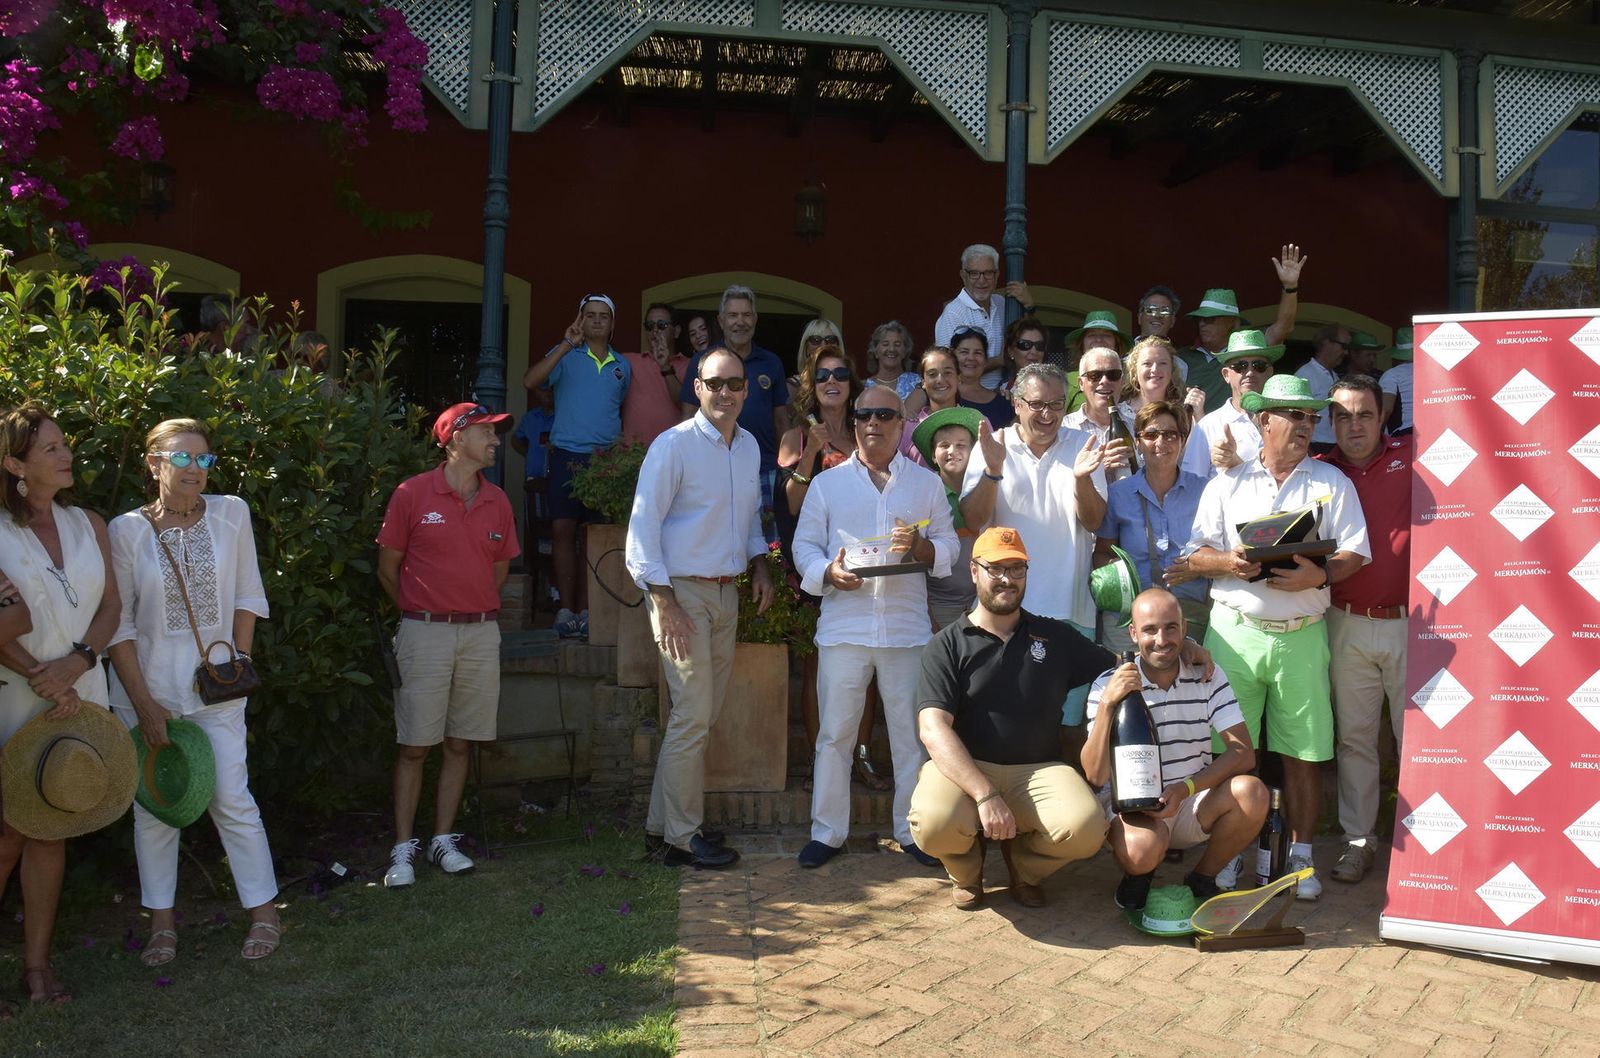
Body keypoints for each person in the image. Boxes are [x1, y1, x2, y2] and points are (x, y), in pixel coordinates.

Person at [1188, 373, 1370, 899]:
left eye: (1312, 418)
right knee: (1230, 749)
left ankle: (1303, 860)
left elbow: (1355, 552)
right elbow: (1194, 555)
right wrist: (1228, 562)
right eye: (1296, 416)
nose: (1306, 427)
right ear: (1264, 421)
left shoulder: (1332, 483)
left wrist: (1324, 575)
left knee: (1305, 753)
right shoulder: (1226, 483)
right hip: (1234, 633)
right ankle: (1224, 856)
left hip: (1302, 633)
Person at [106, 418, 281, 963]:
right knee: (155, 808)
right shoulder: (126, 531)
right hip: (147, 687)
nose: (195, 470)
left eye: (204, 460)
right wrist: (142, 704)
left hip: (216, 688)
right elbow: (120, 625)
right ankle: (162, 924)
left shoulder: (232, 515)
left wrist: (237, 665)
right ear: (153, 464)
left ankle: (265, 914)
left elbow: (249, 596)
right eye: (182, 459)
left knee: (232, 798)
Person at [792, 385, 957, 869]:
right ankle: (827, 832)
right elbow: (804, 547)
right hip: (844, 627)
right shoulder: (827, 484)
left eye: (885, 414)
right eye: (864, 415)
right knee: (834, 737)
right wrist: (827, 573)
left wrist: (924, 547)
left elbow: (949, 546)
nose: (873, 423)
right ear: (855, 422)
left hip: (906, 631)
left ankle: (911, 832)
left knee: (910, 737)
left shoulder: (925, 484)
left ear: (901, 423)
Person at [907, 527, 1112, 909]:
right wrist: (985, 795)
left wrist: (1185, 646)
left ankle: (1025, 867)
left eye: (1016, 569)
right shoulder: (947, 644)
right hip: (966, 772)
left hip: (1037, 771)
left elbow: (1118, 667)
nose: (1007, 579)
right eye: (995, 568)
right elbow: (932, 729)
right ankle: (967, 871)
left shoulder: (1054, 636)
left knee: (1087, 829)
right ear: (974, 571)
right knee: (932, 824)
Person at [626, 349, 772, 869]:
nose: (725, 392)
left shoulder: (750, 446)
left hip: (725, 591)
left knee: (701, 716)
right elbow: (641, 530)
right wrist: (662, 602)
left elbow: (750, 516)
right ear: (697, 386)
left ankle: (660, 827)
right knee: (692, 716)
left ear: (746, 391)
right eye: (715, 383)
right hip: (681, 591)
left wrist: (759, 564)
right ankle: (683, 839)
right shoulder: (674, 446)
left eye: (735, 383)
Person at [0, 402, 121, 1003]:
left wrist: (76, 664)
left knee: (48, 828)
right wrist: (38, 675)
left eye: (64, 444)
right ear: (14, 463)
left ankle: (38, 970)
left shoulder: (89, 524)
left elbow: (111, 609)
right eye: (50, 448)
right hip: (14, 699)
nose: (66, 453)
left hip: (80, 695)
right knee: (5, 834)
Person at [376, 403, 519, 889]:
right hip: (423, 632)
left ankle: (442, 840)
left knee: (461, 743)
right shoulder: (412, 494)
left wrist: (468, 606)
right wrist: (421, 613)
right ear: (455, 438)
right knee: (415, 746)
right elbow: (387, 568)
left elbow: (499, 572)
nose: (495, 441)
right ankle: (402, 850)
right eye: (487, 432)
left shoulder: (498, 500)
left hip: (481, 633)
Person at [959, 363, 1128, 729]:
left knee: (1066, 725)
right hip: (1005, 609)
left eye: (1056, 404)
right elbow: (973, 520)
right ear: (1017, 403)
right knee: (1004, 719)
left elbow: (1094, 521)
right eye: (1037, 405)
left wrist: (1082, 479)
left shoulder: (1082, 446)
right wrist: (992, 471)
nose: (1048, 414)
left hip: (1070, 610)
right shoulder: (993, 444)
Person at [1082, 589, 1267, 909]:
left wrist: (1185, 789)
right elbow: (1095, 775)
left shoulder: (1208, 675)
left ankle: (1201, 879)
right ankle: (1137, 878)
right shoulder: (1108, 684)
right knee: (1142, 849)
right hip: (1135, 808)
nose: (1161, 639)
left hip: (1191, 800)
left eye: (1170, 628)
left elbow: (1243, 753)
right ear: (1133, 633)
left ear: (1184, 628)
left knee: (1253, 793)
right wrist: (1108, 706)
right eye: (1150, 629)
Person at [775, 343, 887, 794]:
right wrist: (811, 454)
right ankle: (822, 764)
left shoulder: (868, 433)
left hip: (868, 567)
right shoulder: (796, 435)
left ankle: (862, 761)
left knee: (870, 668)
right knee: (817, 667)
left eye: (840, 373)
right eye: (822, 376)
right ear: (811, 386)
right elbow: (790, 505)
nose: (832, 381)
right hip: (815, 568)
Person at [1317, 375, 1412, 885]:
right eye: (1344, 416)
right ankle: (1359, 843)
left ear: (1383, 417)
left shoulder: (1415, 456)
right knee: (1355, 741)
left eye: (1365, 414)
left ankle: (1424, 848)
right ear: (1331, 423)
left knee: (1418, 741)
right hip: (1346, 622)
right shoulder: (1321, 472)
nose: (1355, 425)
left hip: (1412, 626)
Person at [522, 294, 632, 639]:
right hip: (567, 455)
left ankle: (588, 611)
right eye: (590, 315)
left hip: (604, 463)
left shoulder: (622, 366)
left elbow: (621, 408)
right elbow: (530, 381)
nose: (597, 321)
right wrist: (567, 344)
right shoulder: (566, 354)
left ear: (613, 324)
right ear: (580, 320)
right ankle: (565, 610)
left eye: (603, 316)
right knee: (563, 531)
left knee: (594, 536)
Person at [1094, 401, 1210, 652]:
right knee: (1128, 685)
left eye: (1170, 434)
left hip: (1188, 615)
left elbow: (1223, 549)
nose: (1161, 442)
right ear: (1137, 442)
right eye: (1151, 434)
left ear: (1182, 440)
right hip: (1131, 616)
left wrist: (1199, 565)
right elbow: (1102, 553)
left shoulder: (1206, 491)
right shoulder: (1118, 494)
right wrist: (1122, 573)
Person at [678, 286, 791, 544]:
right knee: (721, 539)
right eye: (732, 315)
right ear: (720, 321)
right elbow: (687, 417)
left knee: (769, 544)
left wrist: (785, 470)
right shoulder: (703, 361)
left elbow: (781, 420)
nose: (740, 322)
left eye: (746, 315)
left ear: (755, 319)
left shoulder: (771, 362)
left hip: (764, 469)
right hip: (713, 467)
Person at [1179, 245, 1307, 414]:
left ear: (1231, 322)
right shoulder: (1182, 357)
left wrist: (1290, 287)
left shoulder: (1248, 351)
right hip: (1196, 434)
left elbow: (1284, 327)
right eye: (1200, 319)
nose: (1203, 323)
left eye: (1210, 319)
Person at [911, 407, 994, 628]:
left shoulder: (989, 488)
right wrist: (928, 614)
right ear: (932, 455)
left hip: (986, 604)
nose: (952, 451)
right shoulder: (923, 494)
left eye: (961, 445)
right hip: (938, 606)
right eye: (943, 445)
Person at [1181, 329, 1281, 481]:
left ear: (1269, 373)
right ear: (1226, 375)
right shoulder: (1208, 426)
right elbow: (1192, 485)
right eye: (1240, 366)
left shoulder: (1285, 421)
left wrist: (1235, 463)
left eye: (1258, 365)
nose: (1249, 372)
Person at [933, 243, 1035, 388]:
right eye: (974, 273)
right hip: (966, 398)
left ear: (997, 275)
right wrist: (999, 360)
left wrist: (1029, 306)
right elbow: (946, 368)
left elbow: (1024, 336)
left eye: (988, 273)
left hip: (1003, 394)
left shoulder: (1002, 304)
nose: (981, 280)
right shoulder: (953, 313)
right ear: (963, 276)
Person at [620, 302, 690, 446]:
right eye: (650, 326)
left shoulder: (691, 365)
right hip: (633, 459)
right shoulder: (628, 362)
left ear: (676, 331)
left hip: (672, 456)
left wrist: (665, 366)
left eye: (662, 325)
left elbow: (687, 407)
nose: (655, 331)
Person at [1066, 346, 1138, 483]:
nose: (1104, 381)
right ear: (1081, 383)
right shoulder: (1065, 429)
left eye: (1113, 375)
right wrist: (1099, 469)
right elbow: (1056, 482)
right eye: (1095, 375)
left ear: (1122, 382)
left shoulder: (1138, 426)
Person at [1120, 336, 1205, 430]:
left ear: (1172, 370)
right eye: (1147, 364)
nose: (1155, 369)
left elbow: (1205, 442)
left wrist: (1198, 414)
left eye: (1163, 363)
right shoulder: (1119, 414)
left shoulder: (1185, 414)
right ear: (1135, 371)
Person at [1294, 324, 1351, 455]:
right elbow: (1296, 416)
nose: (1346, 352)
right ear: (1326, 343)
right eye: (1344, 346)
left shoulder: (1335, 376)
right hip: (1315, 447)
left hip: (1336, 446)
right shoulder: (1305, 375)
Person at [899, 346, 961, 463]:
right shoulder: (907, 428)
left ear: (958, 378)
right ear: (923, 382)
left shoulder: (978, 423)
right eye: (932, 374)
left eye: (947, 373)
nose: (940, 380)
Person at [951, 327, 1014, 428]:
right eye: (964, 352)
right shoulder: (945, 396)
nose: (971, 358)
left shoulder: (1004, 402)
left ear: (985, 360)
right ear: (953, 357)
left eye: (978, 353)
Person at [863, 321, 920, 400]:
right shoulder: (864, 388)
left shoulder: (918, 383)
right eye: (885, 344)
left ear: (905, 352)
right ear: (875, 352)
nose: (891, 349)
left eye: (897, 344)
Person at [1379, 327, 1414, 436]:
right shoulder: (1433, 373)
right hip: (1432, 431)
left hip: (1404, 432)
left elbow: (1386, 409)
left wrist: (1377, 434)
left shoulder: (1392, 375)